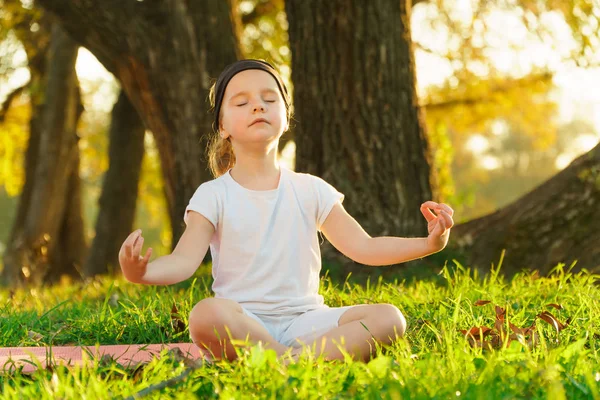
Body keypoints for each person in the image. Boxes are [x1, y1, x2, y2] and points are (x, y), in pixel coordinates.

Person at [118, 59, 454, 363]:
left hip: (306, 321)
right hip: (242, 321)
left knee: (389, 318)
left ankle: (281, 363)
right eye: (242, 101)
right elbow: (183, 261)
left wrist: (429, 244)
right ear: (222, 126)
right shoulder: (213, 195)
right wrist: (140, 273)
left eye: (269, 98)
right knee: (205, 315)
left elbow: (364, 247)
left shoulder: (311, 189)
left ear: (286, 115)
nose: (257, 107)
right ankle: (300, 362)